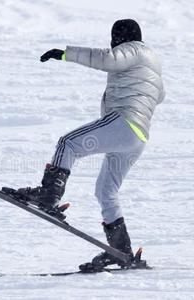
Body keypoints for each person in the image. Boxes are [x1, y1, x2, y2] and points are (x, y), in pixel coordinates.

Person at [15, 19, 165, 270]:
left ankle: (49, 195)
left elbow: (108, 59)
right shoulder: (152, 65)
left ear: (121, 37)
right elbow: (159, 96)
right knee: (106, 191)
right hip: (138, 138)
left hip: (124, 124)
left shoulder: (134, 50)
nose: (113, 44)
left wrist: (65, 54)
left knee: (68, 144)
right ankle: (120, 249)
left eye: (114, 38)